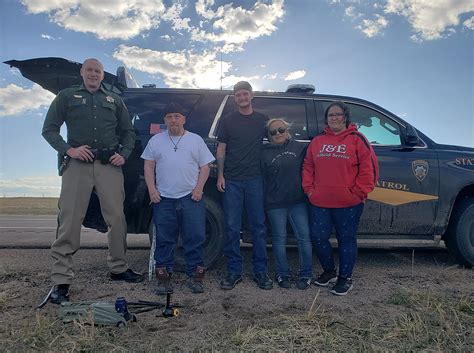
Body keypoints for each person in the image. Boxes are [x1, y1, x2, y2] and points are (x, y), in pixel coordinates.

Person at [42, 58, 143, 305]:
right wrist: (69, 150)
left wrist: (124, 154)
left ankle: (118, 268)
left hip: (108, 165)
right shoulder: (67, 96)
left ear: (101, 75)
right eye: (90, 70)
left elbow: (128, 132)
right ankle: (61, 281)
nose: (94, 74)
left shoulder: (114, 100)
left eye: (97, 71)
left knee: (117, 218)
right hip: (77, 164)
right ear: (82, 72)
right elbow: (49, 130)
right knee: (70, 219)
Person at [302, 101, 378, 296]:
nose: (334, 118)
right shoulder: (318, 141)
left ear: (345, 117)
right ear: (326, 119)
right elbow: (308, 166)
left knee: (346, 239)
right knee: (318, 238)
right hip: (319, 201)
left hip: (349, 203)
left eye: (338, 114)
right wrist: (310, 190)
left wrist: (358, 193)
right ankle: (329, 272)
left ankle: (345, 278)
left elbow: (369, 170)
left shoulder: (357, 139)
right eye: (330, 115)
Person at [142, 102, 215, 294]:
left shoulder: (196, 140)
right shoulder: (156, 141)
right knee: (165, 239)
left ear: (184, 119)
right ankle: (163, 279)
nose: (173, 120)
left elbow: (206, 166)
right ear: (165, 120)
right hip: (163, 199)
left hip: (191, 198)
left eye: (177, 116)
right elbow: (148, 166)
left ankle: (196, 277)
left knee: (195, 237)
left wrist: (199, 189)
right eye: (169, 117)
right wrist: (152, 190)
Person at [216, 81, 272, 290]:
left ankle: (261, 272)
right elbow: (221, 149)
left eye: (245, 94)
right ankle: (233, 271)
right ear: (234, 98)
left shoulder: (262, 120)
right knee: (232, 227)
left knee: (258, 227)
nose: (242, 97)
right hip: (232, 180)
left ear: (252, 95)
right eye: (238, 95)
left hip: (255, 179)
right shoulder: (228, 121)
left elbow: (275, 141)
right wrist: (221, 175)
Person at [261, 119, 313, 289]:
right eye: (273, 132)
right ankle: (282, 274)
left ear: (287, 130)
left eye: (281, 129)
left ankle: (306, 274)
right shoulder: (264, 152)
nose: (277, 133)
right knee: (278, 239)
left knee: (304, 238)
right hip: (275, 204)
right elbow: (261, 179)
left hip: (298, 202)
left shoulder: (300, 148)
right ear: (268, 135)